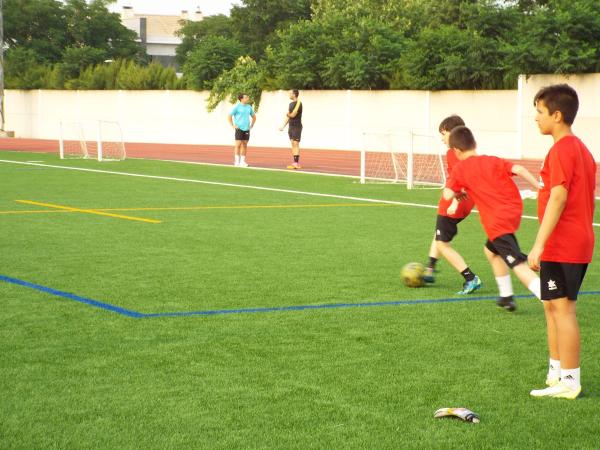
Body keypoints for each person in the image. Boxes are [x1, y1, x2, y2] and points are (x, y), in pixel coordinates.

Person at [528, 84, 595, 400]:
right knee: (552, 307)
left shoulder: (564, 149)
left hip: (565, 242)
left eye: (540, 112)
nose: (536, 118)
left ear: (557, 115)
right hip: (568, 242)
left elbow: (558, 196)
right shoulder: (580, 149)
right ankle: (556, 371)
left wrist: (538, 244)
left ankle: (569, 380)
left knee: (563, 309)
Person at [443, 126, 542, 312]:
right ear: (475, 144)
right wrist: (539, 187)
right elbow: (519, 169)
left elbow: (447, 195)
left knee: (517, 264)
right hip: (513, 211)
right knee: (491, 251)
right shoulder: (492, 160)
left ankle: (549, 299)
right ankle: (506, 297)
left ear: (456, 151)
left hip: (497, 220)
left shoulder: (460, 169)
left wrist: (458, 190)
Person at [423, 115, 480, 295]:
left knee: (442, 243)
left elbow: (460, 180)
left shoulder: (453, 152)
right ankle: (430, 269)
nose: (442, 138)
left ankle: (470, 277)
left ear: (452, 132)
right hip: (468, 201)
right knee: (440, 232)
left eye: (444, 133)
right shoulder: (469, 152)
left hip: (456, 201)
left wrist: (454, 202)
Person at [228, 93, 256, 167]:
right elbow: (229, 116)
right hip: (239, 128)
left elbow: (254, 117)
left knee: (245, 144)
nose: (248, 98)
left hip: (246, 128)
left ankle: (242, 162)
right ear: (241, 99)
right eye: (246, 97)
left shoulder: (249, 107)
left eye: (247, 97)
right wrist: (233, 125)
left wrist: (252, 125)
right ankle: (237, 161)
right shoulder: (237, 107)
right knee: (238, 144)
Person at [279, 89, 303, 169]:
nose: (289, 95)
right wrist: (283, 126)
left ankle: (296, 163)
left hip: (297, 126)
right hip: (291, 126)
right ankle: (294, 163)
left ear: (294, 94)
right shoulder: (290, 104)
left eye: (290, 93)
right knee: (293, 143)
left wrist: (288, 114)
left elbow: (292, 115)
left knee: (295, 143)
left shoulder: (299, 103)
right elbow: (288, 117)